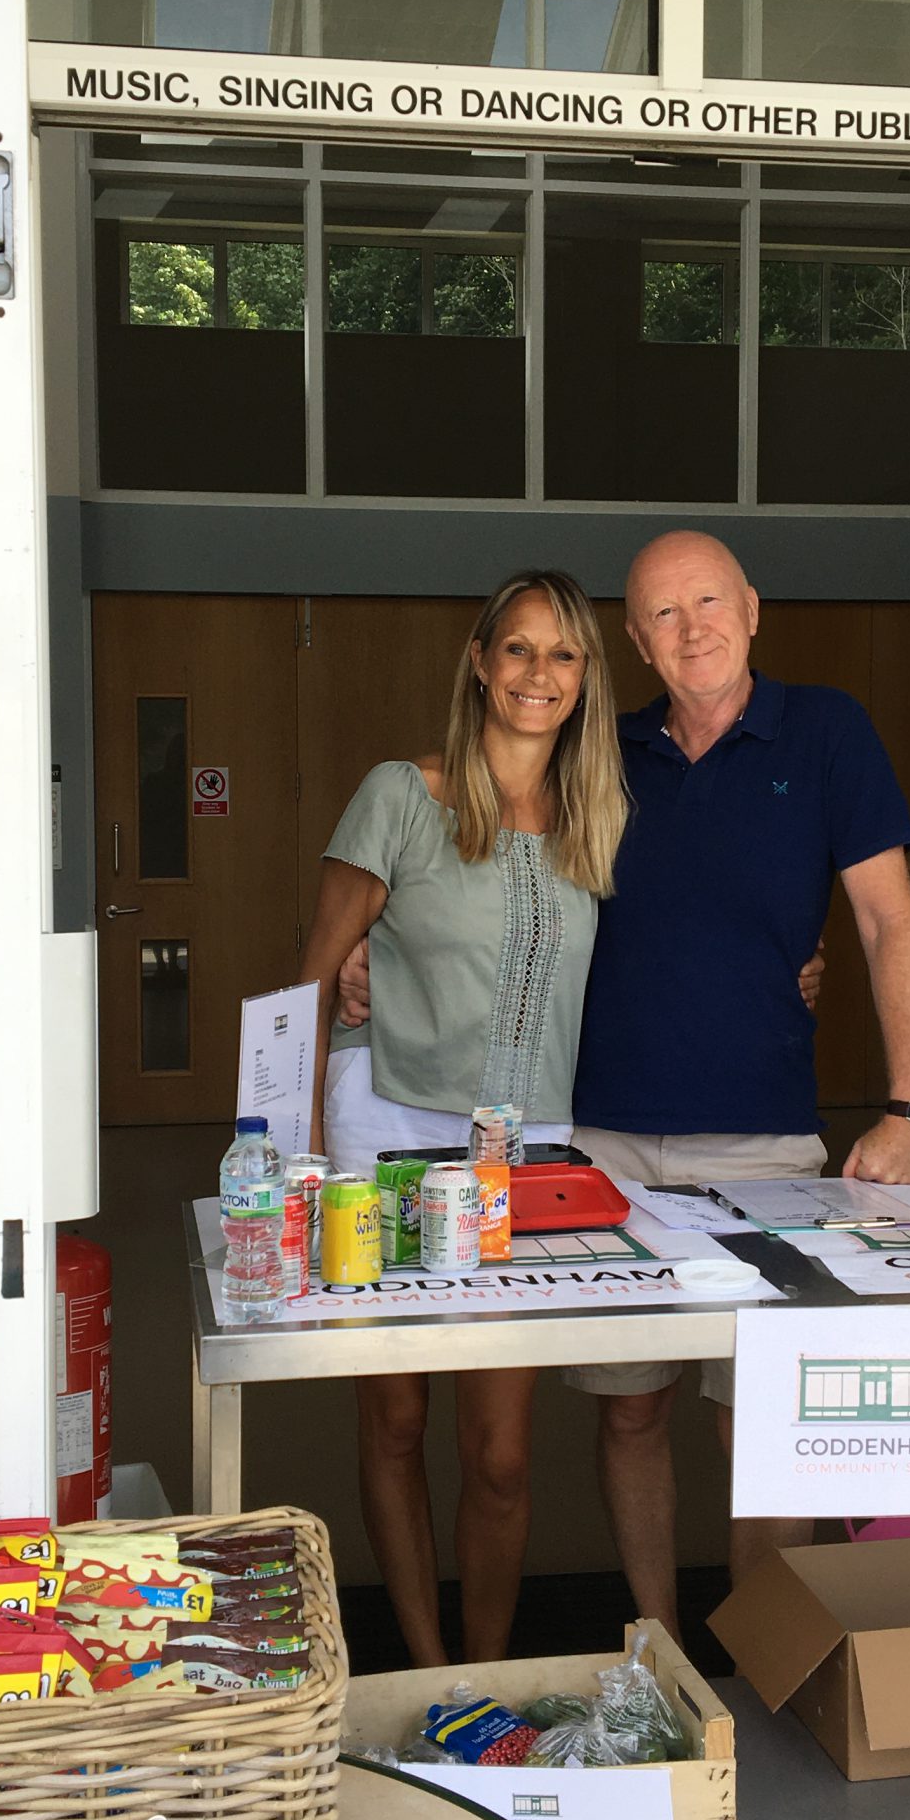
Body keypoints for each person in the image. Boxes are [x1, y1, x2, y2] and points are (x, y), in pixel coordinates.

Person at [562, 531, 910, 1625]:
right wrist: (364, 937)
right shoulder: (603, 747)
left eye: (709, 602)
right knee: (631, 1412)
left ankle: (766, 1663)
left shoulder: (826, 732)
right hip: (607, 1141)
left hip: (768, 1144)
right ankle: (663, 1649)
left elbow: (890, 920)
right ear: (635, 640)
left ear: (753, 608)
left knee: (764, 1422)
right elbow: (478, 829)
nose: (693, 629)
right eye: (664, 616)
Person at [299, 570, 627, 1668]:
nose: (540, 674)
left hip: (516, 1153)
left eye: (565, 655)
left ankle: (484, 1676)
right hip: (383, 1125)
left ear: (585, 679)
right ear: (482, 662)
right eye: (520, 650)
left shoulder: (600, 816)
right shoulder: (404, 793)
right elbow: (313, 980)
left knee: (499, 1453)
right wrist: (292, 1159)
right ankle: (425, 1667)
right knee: (396, 1419)